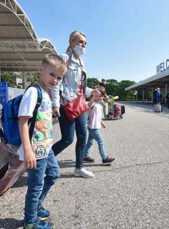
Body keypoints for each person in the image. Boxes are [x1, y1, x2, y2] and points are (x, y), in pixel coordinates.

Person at [18, 54, 67, 229]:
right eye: (52, 74)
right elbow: (23, 121)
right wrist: (28, 150)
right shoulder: (34, 92)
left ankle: (37, 204)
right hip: (35, 149)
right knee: (35, 186)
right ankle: (30, 221)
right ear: (41, 70)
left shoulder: (46, 93)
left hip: (46, 147)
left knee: (54, 174)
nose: (55, 80)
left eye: (59, 77)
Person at [51, 31, 99, 178]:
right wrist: (55, 104)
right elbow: (55, 82)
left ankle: (79, 168)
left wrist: (93, 91)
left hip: (80, 103)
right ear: (71, 43)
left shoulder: (82, 63)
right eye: (80, 42)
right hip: (67, 103)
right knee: (67, 139)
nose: (83, 45)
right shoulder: (64, 58)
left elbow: (79, 86)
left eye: (85, 43)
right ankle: (42, 160)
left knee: (83, 136)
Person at [83, 86, 115, 164]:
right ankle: (104, 158)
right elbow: (89, 105)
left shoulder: (98, 104)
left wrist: (102, 122)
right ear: (95, 95)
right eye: (99, 96)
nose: (101, 97)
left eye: (102, 96)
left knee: (90, 142)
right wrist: (94, 96)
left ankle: (85, 155)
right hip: (93, 127)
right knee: (100, 141)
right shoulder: (92, 103)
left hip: (94, 126)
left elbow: (97, 116)